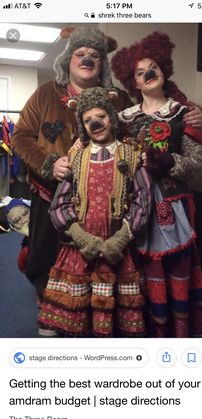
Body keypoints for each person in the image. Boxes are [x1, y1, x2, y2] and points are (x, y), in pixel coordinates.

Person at [10, 25, 202, 303]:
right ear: (68, 60)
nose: (87, 58)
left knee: (100, 263)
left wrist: (196, 114)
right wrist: (48, 164)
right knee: (47, 258)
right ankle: (49, 307)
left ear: (102, 64)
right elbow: (20, 137)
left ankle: (92, 314)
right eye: (80, 53)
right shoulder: (44, 94)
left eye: (95, 54)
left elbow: (153, 111)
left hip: (105, 198)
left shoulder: (120, 98)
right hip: (51, 192)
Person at [111, 31, 202, 337]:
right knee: (139, 276)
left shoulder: (184, 114)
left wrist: (170, 163)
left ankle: (178, 342)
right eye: (140, 72)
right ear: (134, 82)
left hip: (173, 207)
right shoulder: (122, 118)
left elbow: (199, 165)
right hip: (134, 209)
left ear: (163, 70)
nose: (148, 74)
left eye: (153, 67)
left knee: (177, 273)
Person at [38, 87, 152, 337]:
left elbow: (143, 201)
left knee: (114, 317)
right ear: (83, 126)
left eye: (100, 116)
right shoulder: (76, 158)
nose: (95, 123)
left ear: (112, 117)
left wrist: (121, 239)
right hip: (80, 248)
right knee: (76, 313)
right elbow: (59, 204)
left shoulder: (131, 156)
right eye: (87, 120)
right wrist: (80, 236)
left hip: (117, 247)